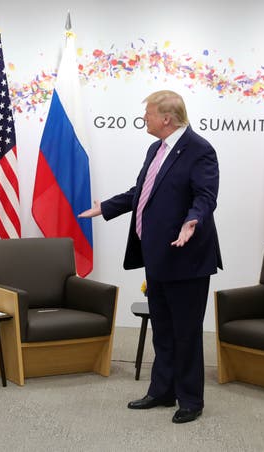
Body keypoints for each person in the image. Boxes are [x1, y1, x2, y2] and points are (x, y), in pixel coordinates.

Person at [79, 90, 221, 424]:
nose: (144, 118)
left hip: (186, 258)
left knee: (185, 332)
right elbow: (140, 192)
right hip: (156, 257)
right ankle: (161, 391)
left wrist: (192, 221)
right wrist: (105, 208)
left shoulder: (200, 150)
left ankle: (190, 400)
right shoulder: (155, 149)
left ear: (167, 118)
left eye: (148, 114)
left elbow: (205, 196)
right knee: (163, 330)